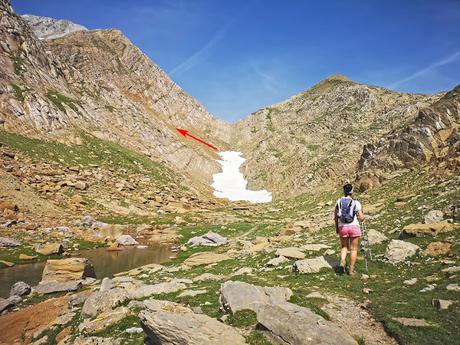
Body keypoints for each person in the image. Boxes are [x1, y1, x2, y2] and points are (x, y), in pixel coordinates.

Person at [334, 183, 365, 275]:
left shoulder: (338, 202)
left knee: (344, 247)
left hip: (342, 227)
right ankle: (351, 270)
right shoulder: (356, 202)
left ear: (344, 191)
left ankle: (343, 262)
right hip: (354, 227)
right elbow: (361, 217)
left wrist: (337, 228)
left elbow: (336, 217)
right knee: (354, 249)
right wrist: (363, 216)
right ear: (352, 191)